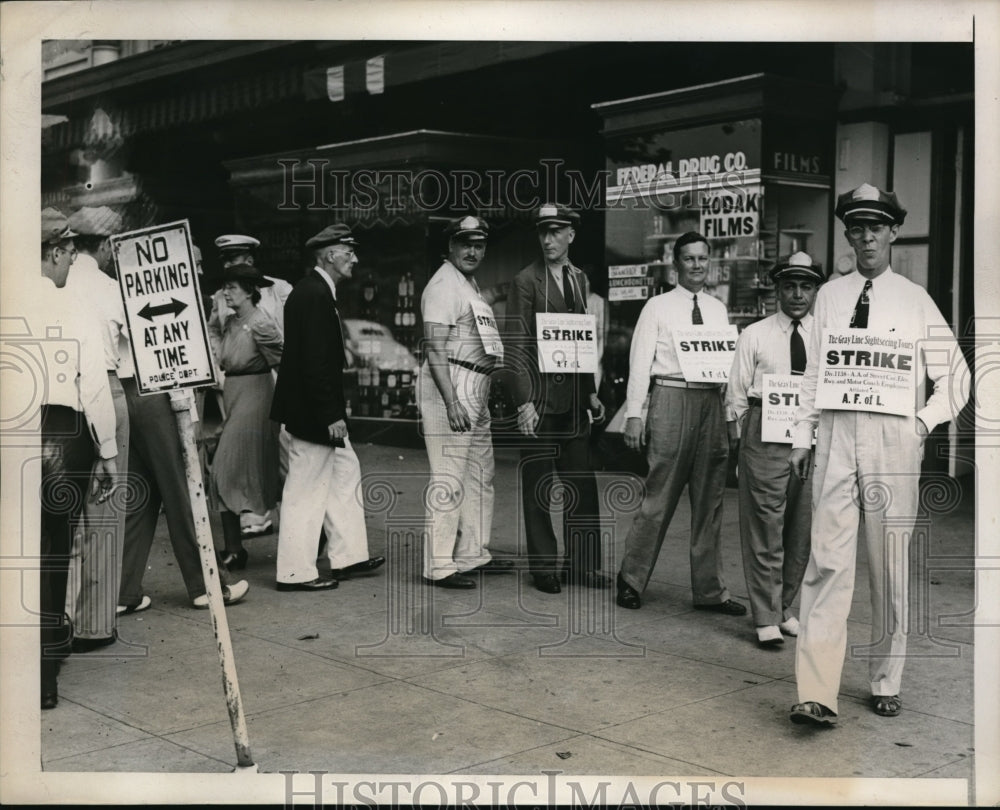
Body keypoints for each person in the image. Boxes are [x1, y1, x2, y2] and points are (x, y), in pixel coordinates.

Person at [787, 183, 970, 726]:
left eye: (876, 227)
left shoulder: (914, 300)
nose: (866, 236)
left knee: (888, 564)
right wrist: (803, 436)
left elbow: (957, 377)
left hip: (893, 440)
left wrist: (920, 423)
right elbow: (815, 373)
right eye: (857, 227)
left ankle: (886, 677)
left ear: (893, 233)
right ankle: (816, 692)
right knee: (826, 562)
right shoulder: (831, 296)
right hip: (839, 438)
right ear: (847, 233)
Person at [615, 231, 746, 616]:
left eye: (702, 259)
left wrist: (730, 417)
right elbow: (639, 363)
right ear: (676, 264)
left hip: (710, 401)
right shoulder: (657, 306)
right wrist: (634, 413)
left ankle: (710, 591)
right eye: (688, 259)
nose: (696, 265)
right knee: (659, 496)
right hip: (671, 397)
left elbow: (728, 370)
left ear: (710, 262)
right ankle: (631, 580)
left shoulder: (718, 309)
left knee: (710, 502)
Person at [34, 209, 118, 708]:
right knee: (51, 554)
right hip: (61, 435)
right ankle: (44, 677)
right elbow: (95, 388)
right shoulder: (72, 308)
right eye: (65, 252)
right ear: (57, 251)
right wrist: (107, 450)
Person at [270, 223, 384, 591]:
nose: (355, 259)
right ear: (329, 255)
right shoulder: (316, 294)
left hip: (309, 410)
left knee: (345, 471)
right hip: (312, 414)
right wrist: (330, 414)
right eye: (348, 253)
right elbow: (317, 363)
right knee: (306, 489)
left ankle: (348, 555)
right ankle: (294, 572)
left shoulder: (314, 291)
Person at [506, 203, 608, 594]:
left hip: (574, 402)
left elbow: (579, 339)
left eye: (556, 231)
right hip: (540, 401)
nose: (548, 239)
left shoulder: (579, 279)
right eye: (542, 232)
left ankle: (583, 565)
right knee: (539, 487)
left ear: (571, 234)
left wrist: (592, 393)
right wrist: (523, 401)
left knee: (581, 483)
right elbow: (515, 346)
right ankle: (544, 567)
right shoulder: (525, 281)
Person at [726, 252, 821, 647]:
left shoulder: (826, 335)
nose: (797, 294)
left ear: (816, 290)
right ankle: (764, 614)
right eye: (789, 286)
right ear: (777, 289)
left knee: (802, 527)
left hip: (812, 435)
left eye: (806, 286)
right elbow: (735, 394)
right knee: (765, 525)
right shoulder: (756, 334)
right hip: (765, 434)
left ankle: (784, 607)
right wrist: (742, 446)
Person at [418, 215, 514, 588]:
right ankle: (439, 564)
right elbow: (435, 348)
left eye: (479, 244)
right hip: (452, 381)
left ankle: (473, 553)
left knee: (479, 474)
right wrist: (452, 401)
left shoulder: (466, 283)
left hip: (475, 381)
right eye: (465, 244)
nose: (473, 251)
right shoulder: (442, 284)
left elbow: (474, 320)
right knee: (449, 475)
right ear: (451, 247)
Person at [60, 206, 131, 653]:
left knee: (64, 515)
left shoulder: (57, 284)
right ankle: (94, 625)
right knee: (105, 514)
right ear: (105, 245)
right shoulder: (108, 288)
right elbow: (127, 352)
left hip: (60, 399)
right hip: (104, 389)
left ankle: (60, 615)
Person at [210, 233, 293, 536]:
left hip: (269, 380)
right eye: (227, 260)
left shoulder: (278, 289)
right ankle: (255, 518)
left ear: (249, 259)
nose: (231, 264)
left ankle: (307, 523)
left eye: (236, 258)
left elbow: (284, 341)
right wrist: (221, 362)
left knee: (279, 458)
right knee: (252, 459)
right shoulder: (221, 298)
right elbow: (214, 332)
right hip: (234, 383)